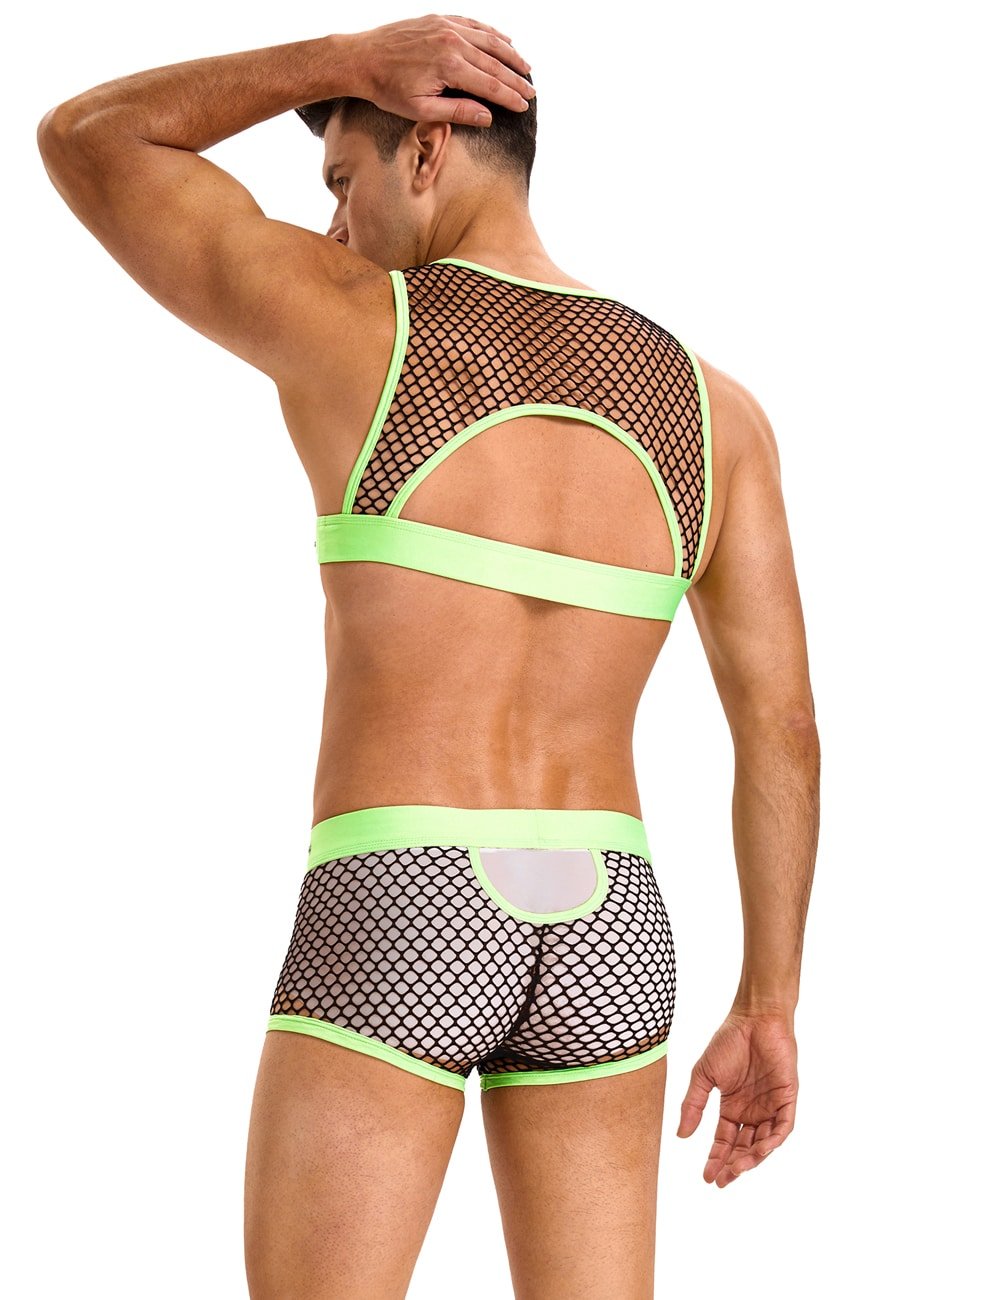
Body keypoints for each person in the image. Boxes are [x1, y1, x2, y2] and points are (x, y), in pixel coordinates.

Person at [37, 14, 820, 1298]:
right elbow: (781, 726)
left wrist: (341, 59)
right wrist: (768, 1000)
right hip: (613, 921)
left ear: (427, 150)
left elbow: (87, 138)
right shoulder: (713, 410)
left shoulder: (357, 325)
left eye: (342, 179)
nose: (334, 225)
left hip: (404, 891)